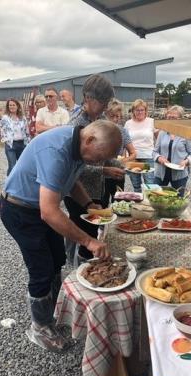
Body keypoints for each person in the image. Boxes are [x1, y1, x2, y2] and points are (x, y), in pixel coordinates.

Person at [0, 120, 122, 353]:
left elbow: (71, 180)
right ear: (90, 140)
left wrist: (88, 204)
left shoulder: (78, 147)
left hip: (38, 208)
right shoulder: (57, 150)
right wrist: (88, 241)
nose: (98, 163)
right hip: (19, 210)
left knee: (57, 259)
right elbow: (49, 211)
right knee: (41, 268)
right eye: (99, 157)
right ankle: (40, 327)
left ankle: (53, 313)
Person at [66, 74, 125, 263]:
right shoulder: (77, 124)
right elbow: (72, 168)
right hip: (78, 191)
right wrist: (104, 171)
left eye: (107, 103)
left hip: (95, 189)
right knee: (83, 230)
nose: (106, 107)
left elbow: (102, 157)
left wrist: (121, 164)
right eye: (103, 102)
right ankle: (79, 266)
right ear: (88, 99)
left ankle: (81, 261)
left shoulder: (97, 119)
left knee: (90, 228)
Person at [153, 105, 191, 194]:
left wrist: (186, 161)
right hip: (161, 172)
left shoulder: (186, 134)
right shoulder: (162, 133)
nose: (170, 119)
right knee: (156, 197)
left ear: (180, 119)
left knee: (178, 200)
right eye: (169, 117)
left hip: (179, 174)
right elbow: (154, 152)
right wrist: (159, 158)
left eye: (173, 117)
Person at [103, 98, 136, 203]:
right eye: (112, 116)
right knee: (101, 204)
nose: (115, 119)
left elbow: (133, 153)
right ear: (106, 115)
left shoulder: (122, 131)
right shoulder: (99, 130)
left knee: (118, 204)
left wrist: (122, 161)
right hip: (102, 173)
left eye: (118, 116)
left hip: (118, 174)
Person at [124, 99, 156, 192]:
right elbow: (125, 141)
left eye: (142, 110)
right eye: (137, 110)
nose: (140, 112)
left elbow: (159, 139)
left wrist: (158, 154)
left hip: (148, 157)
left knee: (149, 185)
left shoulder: (151, 122)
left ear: (146, 111)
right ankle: (138, 205)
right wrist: (125, 158)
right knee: (136, 185)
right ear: (133, 111)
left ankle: (148, 205)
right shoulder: (128, 123)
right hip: (133, 157)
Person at [0, 99, 30, 175]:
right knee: (12, 166)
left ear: (17, 106)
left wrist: (28, 142)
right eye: (10, 105)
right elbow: (2, 131)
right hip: (11, 145)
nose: (12, 106)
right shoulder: (5, 118)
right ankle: (9, 183)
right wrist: (6, 140)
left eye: (13, 105)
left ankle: (20, 183)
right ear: (8, 106)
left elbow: (27, 130)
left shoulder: (23, 118)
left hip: (22, 144)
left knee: (22, 166)